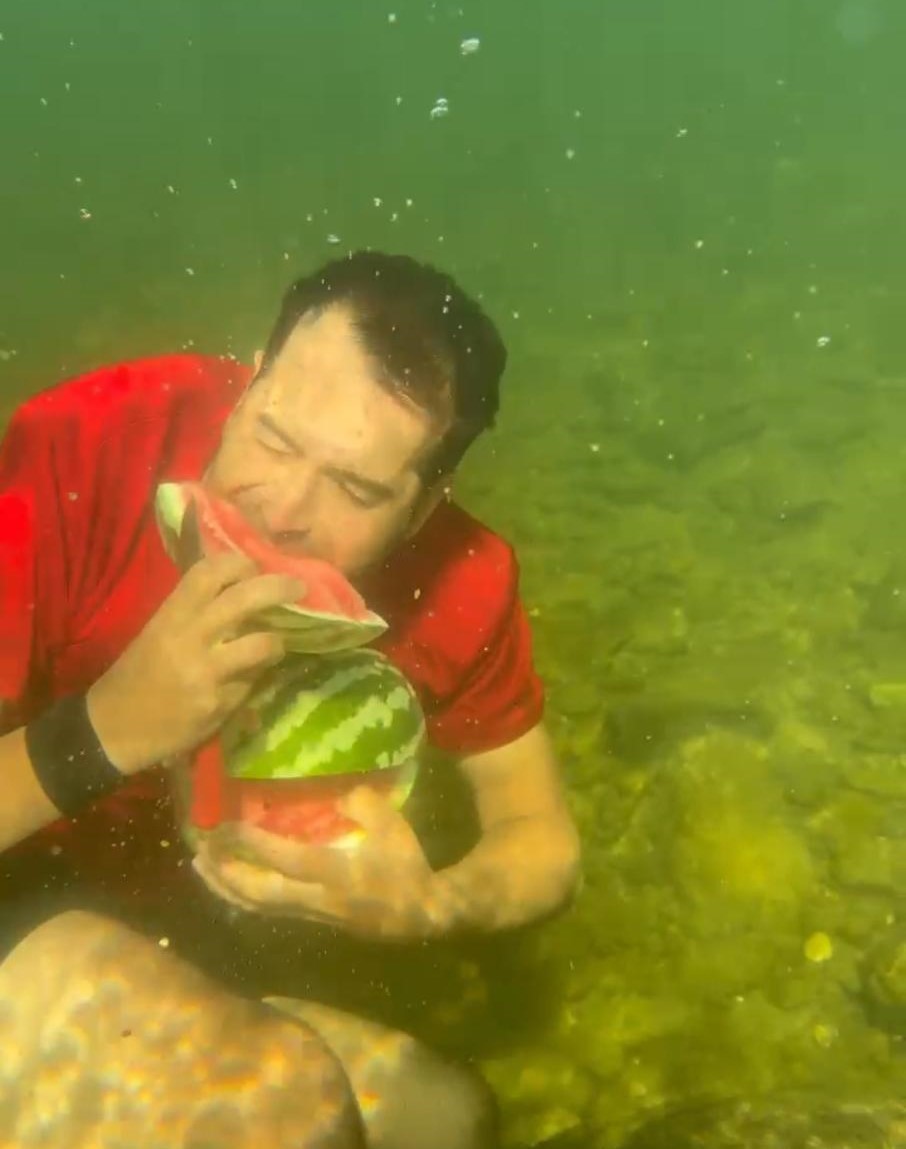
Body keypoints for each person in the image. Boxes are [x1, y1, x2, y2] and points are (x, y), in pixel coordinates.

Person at [0, 249, 580, 940]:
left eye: (356, 488)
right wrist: (111, 726)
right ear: (251, 383)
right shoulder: (88, 444)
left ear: (427, 506)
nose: (281, 511)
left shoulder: (460, 580)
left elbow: (542, 839)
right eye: (273, 439)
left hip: (224, 933)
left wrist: (436, 905)